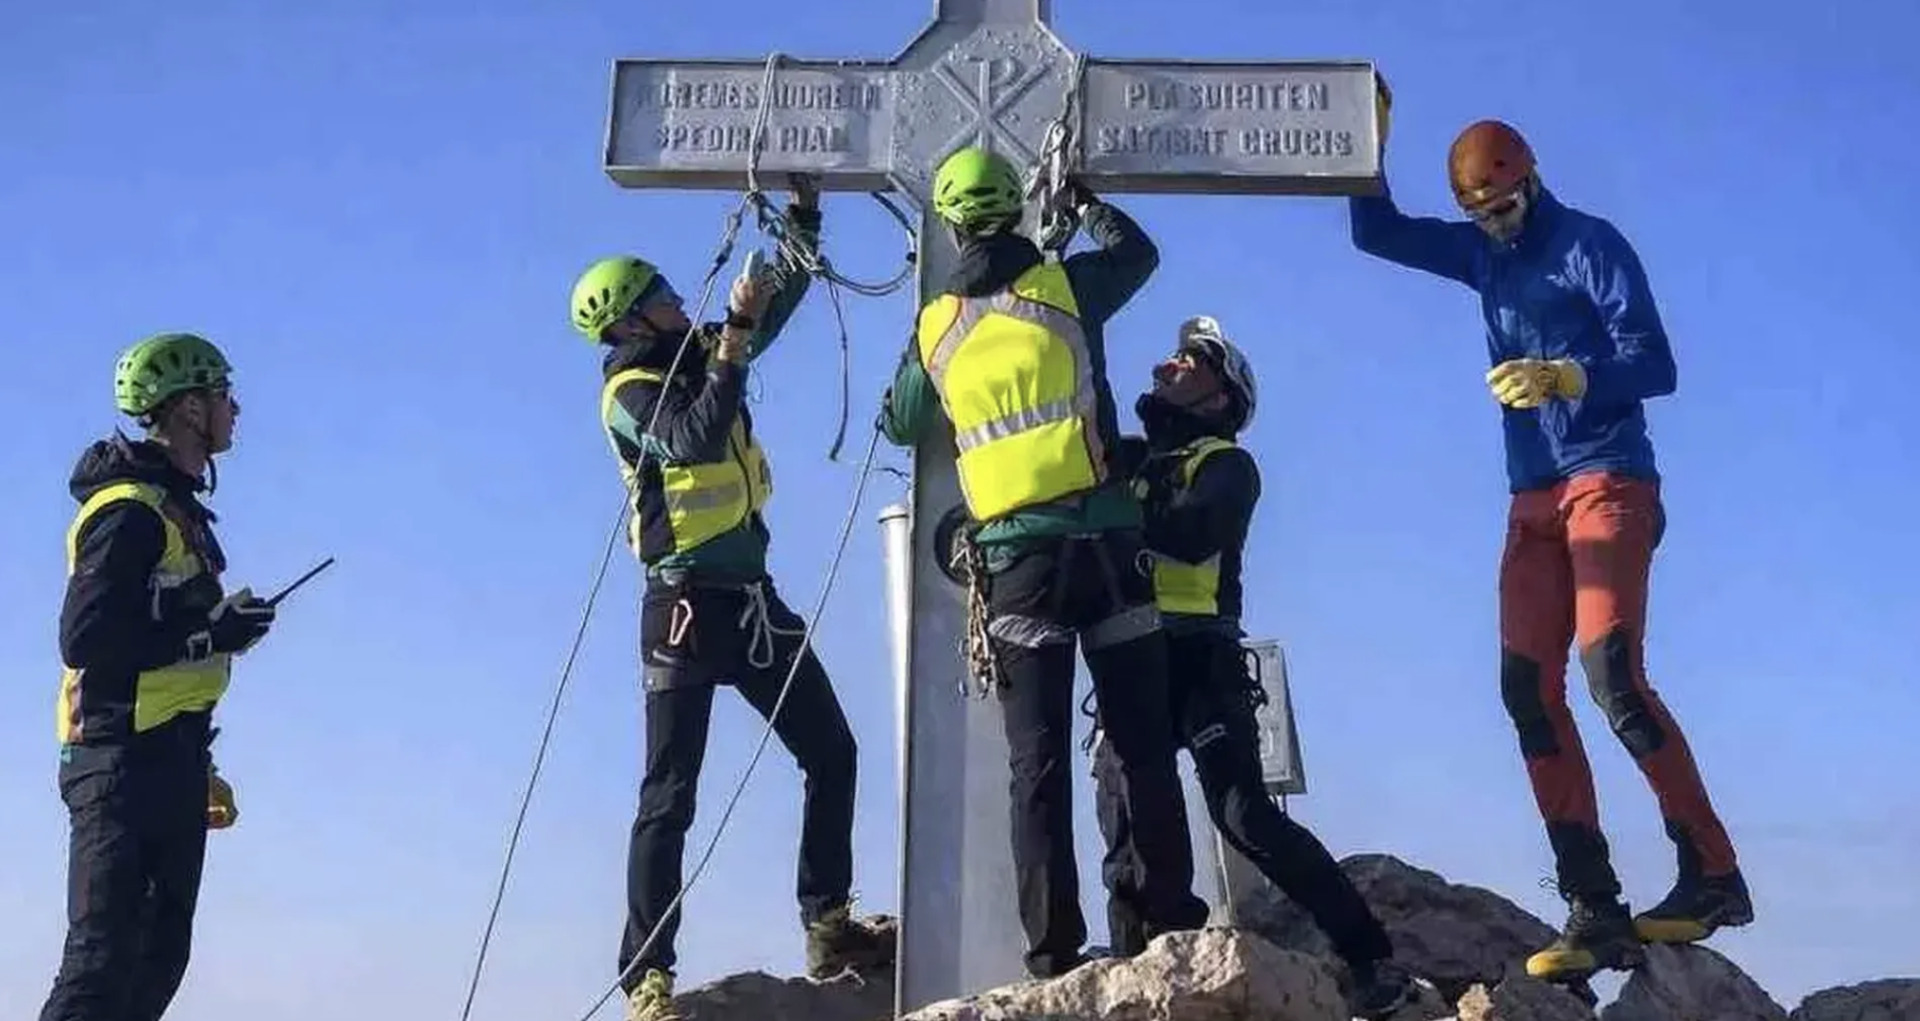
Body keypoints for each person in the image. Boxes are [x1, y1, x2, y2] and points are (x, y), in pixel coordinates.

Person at [1346, 86, 1752, 985]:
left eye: (1503, 208)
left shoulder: (1590, 245)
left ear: (1531, 184)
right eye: (1477, 216)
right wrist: (1359, 151)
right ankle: (1594, 907)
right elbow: (1378, 236)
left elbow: (1658, 364)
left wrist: (1567, 374)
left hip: (1610, 480)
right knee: (1525, 689)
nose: (1493, 226)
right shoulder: (1481, 255)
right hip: (1531, 501)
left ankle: (1714, 874)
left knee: (1613, 675)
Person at [879, 145, 1210, 980]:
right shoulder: (1066, 288)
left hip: (1015, 563)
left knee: (1037, 763)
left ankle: (1052, 952)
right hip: (1105, 542)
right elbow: (1139, 255)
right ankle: (1168, 919)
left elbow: (899, 420)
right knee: (1141, 744)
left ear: (952, 225)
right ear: (1017, 210)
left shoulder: (936, 326)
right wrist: (1087, 201)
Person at [567, 176, 894, 1021]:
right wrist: (735, 337)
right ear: (633, 321)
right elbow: (695, 435)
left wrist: (804, 221)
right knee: (670, 792)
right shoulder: (628, 391)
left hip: (751, 599)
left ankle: (827, 921)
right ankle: (647, 975)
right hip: (683, 610)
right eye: (664, 297)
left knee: (833, 749)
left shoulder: (701, 351)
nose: (683, 300)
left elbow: (770, 313)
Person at [1089, 315, 1416, 1018]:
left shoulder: (1226, 465)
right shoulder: (1136, 458)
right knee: (1123, 812)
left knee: (1244, 815)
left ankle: (1370, 958)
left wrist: (1116, 510)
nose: (1170, 365)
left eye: (1191, 360)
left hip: (1200, 656)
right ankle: (1138, 964)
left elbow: (1193, 532)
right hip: (1134, 650)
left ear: (1220, 398)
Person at [39, 332, 277, 1021]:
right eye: (223, 394)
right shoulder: (128, 509)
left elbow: (162, 629)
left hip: (167, 756)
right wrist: (210, 630)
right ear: (189, 410)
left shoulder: (174, 507)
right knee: (100, 965)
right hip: (117, 758)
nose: (236, 408)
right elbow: (86, 637)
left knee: (155, 962)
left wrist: (195, 758)